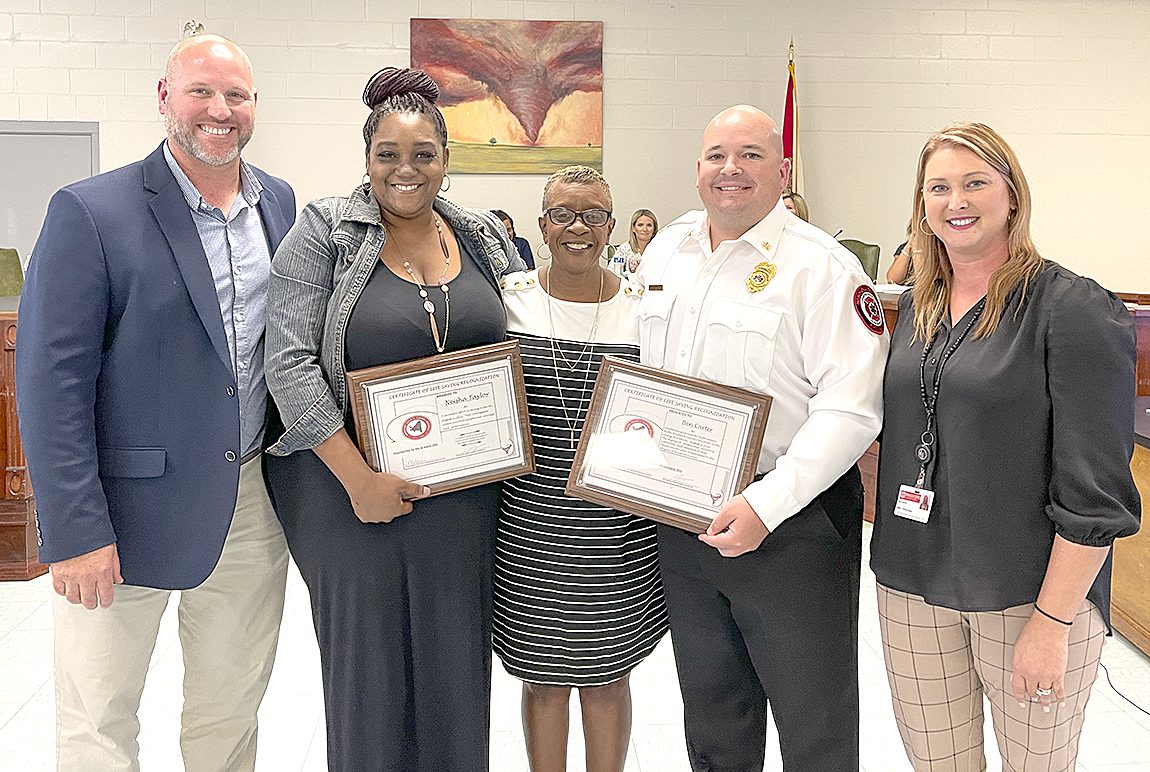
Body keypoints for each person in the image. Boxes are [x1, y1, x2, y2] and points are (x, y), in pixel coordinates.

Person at [15, 34, 295, 771]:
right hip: (121, 513)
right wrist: (74, 529)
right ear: (164, 97)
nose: (219, 110)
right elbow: (50, 384)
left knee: (230, 710)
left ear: (255, 106)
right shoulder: (90, 211)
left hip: (250, 504)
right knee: (98, 716)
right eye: (201, 91)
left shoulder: (279, 203)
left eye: (236, 95)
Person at [263, 66, 523, 771]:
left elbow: (521, 341)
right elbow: (289, 365)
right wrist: (359, 481)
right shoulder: (324, 231)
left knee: (455, 672)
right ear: (367, 157)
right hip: (348, 492)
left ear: (446, 159)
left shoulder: (480, 235)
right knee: (369, 680)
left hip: (463, 496)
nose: (405, 170)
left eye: (423, 154)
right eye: (388, 154)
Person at [871, 122, 1140, 772]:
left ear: (1012, 195)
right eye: (939, 187)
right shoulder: (916, 308)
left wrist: (1053, 622)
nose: (956, 201)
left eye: (974, 183)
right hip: (912, 584)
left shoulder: (1071, 307)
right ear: (921, 204)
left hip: (1027, 593)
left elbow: (1096, 489)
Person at [635, 104, 888, 770]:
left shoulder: (823, 268)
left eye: (750, 154)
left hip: (792, 523)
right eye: (717, 155)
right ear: (697, 168)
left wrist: (765, 505)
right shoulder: (666, 251)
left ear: (782, 170)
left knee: (814, 721)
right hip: (684, 518)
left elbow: (851, 410)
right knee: (713, 711)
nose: (731, 169)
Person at [494, 166, 668, 772]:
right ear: (542, 225)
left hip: (617, 532)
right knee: (541, 678)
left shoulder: (643, 308)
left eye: (593, 215)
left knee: (608, 677)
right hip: (529, 526)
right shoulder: (509, 299)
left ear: (611, 226)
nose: (578, 227)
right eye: (564, 214)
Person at [613, 208, 658, 274]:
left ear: (654, 229)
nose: (645, 229)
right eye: (640, 225)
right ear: (633, 228)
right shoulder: (623, 250)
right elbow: (614, 273)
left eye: (649, 225)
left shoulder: (660, 250)